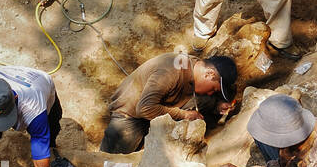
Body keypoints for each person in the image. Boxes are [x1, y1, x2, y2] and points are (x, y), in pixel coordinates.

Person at [101, 53, 239, 154]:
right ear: (209, 74)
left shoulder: (195, 66)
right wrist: (184, 115)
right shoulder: (170, 72)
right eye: (214, 89)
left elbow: (202, 98)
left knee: (202, 100)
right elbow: (145, 108)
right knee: (114, 161)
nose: (211, 93)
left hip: (159, 104)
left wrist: (217, 106)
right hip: (131, 114)